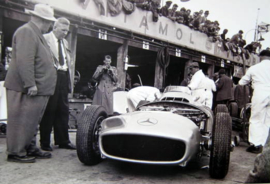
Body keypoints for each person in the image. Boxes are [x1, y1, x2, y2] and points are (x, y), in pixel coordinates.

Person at [4, 4, 57, 163]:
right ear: (42, 20)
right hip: (26, 88)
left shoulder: (35, 32)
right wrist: (30, 84)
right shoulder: (27, 31)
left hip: (37, 88)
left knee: (31, 122)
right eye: (49, 21)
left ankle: (29, 146)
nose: (50, 25)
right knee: (20, 121)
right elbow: (25, 60)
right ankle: (16, 152)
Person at [39, 17, 76, 151]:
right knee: (49, 110)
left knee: (63, 110)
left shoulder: (65, 42)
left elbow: (66, 61)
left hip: (63, 77)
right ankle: (45, 142)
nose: (65, 33)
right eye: (62, 30)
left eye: (67, 30)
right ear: (54, 28)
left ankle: (63, 141)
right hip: (50, 77)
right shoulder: (44, 38)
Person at [239, 49, 270, 153]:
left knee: (256, 119)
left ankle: (256, 144)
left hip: (260, 92)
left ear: (260, 57)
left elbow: (242, 82)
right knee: (267, 120)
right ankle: (264, 144)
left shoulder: (255, 68)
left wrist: (250, 82)